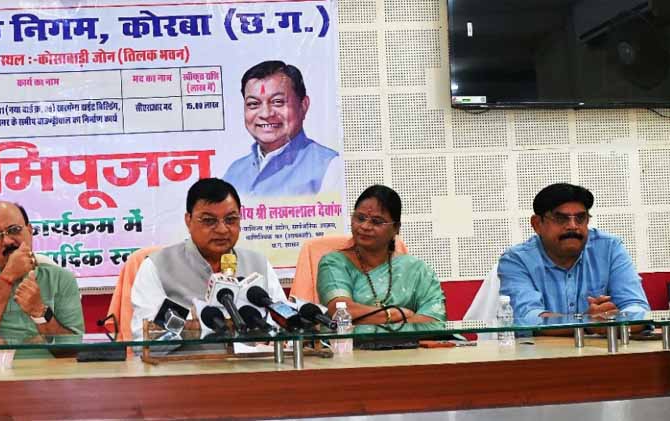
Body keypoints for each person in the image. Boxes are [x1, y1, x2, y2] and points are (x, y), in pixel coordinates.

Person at [130, 178, 288, 340]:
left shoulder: (258, 264)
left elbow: (284, 325)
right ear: (188, 220)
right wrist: (193, 328)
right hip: (189, 357)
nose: (222, 229)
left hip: (256, 356)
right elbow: (144, 336)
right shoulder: (157, 266)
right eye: (209, 221)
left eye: (231, 219)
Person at [498, 183, 649, 328]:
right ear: (537, 224)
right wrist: (587, 322)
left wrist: (612, 319)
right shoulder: (516, 260)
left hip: (602, 344)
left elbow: (637, 308)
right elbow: (527, 318)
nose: (573, 226)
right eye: (561, 218)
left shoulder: (609, 248)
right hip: (541, 346)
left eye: (580, 218)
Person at [0, 201, 85, 357]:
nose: (7, 241)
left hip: (43, 369)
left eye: (14, 230)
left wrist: (40, 312)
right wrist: (7, 277)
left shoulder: (61, 278)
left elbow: (72, 350)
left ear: (29, 231)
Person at [317, 185, 446, 324]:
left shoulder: (416, 270)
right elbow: (341, 312)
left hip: (409, 340)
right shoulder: (334, 263)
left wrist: (375, 324)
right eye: (360, 218)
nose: (365, 226)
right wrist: (396, 314)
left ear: (396, 228)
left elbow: (433, 319)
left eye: (376, 221)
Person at [222, 60, 341, 197]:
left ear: (303, 105)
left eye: (277, 102)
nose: (266, 114)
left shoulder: (330, 166)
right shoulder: (233, 173)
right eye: (253, 104)